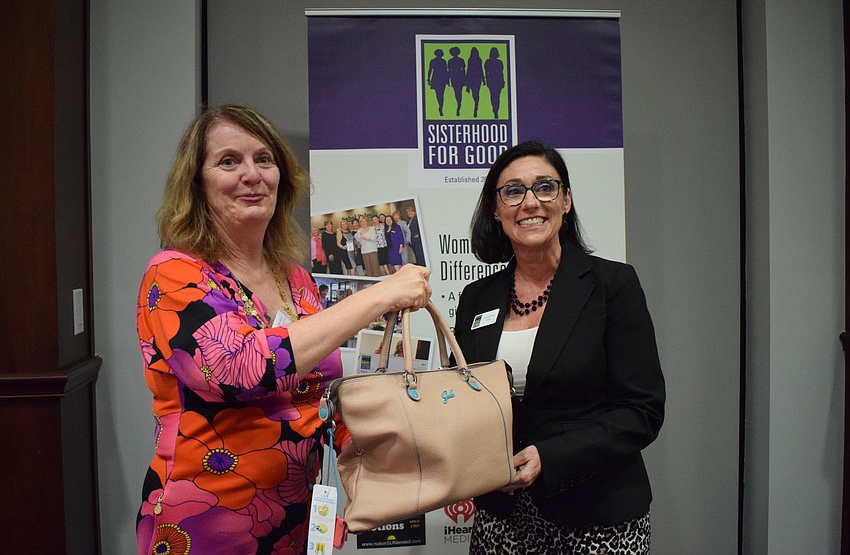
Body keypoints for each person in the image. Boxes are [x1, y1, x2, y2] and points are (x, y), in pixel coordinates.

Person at [135, 104, 432, 554]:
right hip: (206, 523)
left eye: (264, 159)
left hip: (295, 518)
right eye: (229, 161)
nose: (252, 175)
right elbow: (238, 369)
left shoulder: (295, 280)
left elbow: (316, 393)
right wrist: (378, 295)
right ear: (196, 183)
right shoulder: (174, 273)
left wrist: (383, 454)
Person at [453, 141, 665, 554]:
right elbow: (462, 399)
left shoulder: (612, 286)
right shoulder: (476, 297)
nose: (530, 202)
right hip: (503, 519)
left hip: (596, 518)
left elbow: (642, 411)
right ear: (496, 210)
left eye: (545, 187)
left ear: (566, 200)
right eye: (513, 191)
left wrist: (550, 457)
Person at [484, 47, 505, 119]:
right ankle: (495, 109)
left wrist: (503, 81)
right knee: (496, 96)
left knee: (494, 96)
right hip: (495, 81)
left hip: (495, 81)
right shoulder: (496, 62)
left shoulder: (495, 62)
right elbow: (487, 73)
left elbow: (501, 73)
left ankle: (495, 110)